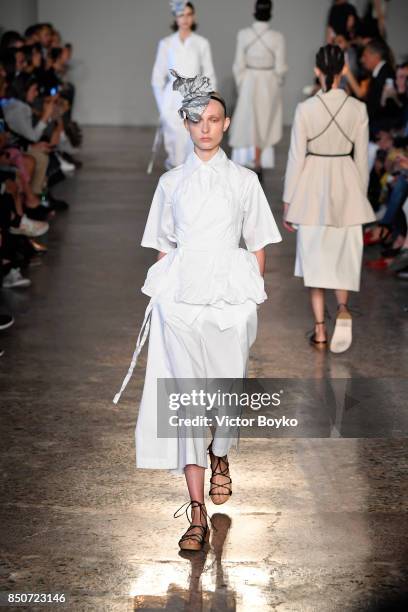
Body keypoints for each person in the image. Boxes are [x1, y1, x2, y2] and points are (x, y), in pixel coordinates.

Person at [114, 71, 281, 551]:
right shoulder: (170, 184)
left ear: (225, 124)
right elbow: (163, 249)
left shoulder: (245, 182)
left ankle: (222, 451)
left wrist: (252, 297)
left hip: (231, 299)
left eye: (212, 119)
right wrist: (160, 299)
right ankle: (195, 514)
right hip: (181, 299)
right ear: (185, 125)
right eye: (196, 120)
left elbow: (258, 245)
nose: (204, 127)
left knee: (226, 393)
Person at [282, 44, 376, 354]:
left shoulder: (305, 109)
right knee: (344, 256)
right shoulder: (357, 109)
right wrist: (357, 196)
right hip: (346, 182)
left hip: (312, 185)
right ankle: (344, 309)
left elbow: (296, 157)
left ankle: (320, 330)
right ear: (343, 69)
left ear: (317, 70)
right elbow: (362, 160)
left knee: (314, 259)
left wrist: (289, 201)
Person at [151, 1, 217, 169]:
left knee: (193, 149)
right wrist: (163, 108)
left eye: (188, 14)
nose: (185, 19)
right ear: (175, 17)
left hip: (196, 100)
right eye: (181, 15)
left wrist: (210, 104)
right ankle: (175, 191)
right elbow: (157, 78)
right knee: (174, 151)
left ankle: (191, 192)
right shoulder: (166, 43)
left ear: (193, 16)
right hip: (172, 101)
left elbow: (209, 75)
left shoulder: (202, 43)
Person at [229, 0, 287, 180]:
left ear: (254, 12)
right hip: (268, 82)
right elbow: (281, 68)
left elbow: (238, 65)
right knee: (264, 123)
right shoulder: (277, 37)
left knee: (248, 120)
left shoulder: (244, 34)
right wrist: (275, 81)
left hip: (249, 79)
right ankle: (258, 161)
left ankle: (247, 163)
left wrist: (242, 83)